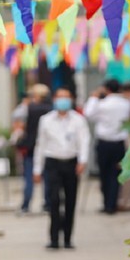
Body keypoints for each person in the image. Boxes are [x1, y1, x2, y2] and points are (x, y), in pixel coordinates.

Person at [33, 87, 91, 250]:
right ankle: (53, 238)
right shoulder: (46, 120)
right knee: (54, 200)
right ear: (54, 99)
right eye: (60, 97)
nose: (63, 100)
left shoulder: (78, 120)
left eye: (66, 97)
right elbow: (40, 145)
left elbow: (84, 141)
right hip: (52, 163)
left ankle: (67, 237)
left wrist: (82, 161)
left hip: (71, 163)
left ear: (71, 99)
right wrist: (37, 169)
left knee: (71, 200)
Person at [83, 79, 130, 215]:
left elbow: (88, 113)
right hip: (119, 143)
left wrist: (93, 97)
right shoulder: (125, 104)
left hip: (104, 143)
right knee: (116, 174)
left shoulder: (102, 104)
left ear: (106, 89)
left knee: (104, 174)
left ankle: (106, 204)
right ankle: (113, 203)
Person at [17, 84, 53, 214]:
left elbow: (20, 123)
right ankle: (48, 204)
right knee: (47, 178)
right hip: (48, 149)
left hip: (31, 147)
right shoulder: (52, 109)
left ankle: (26, 205)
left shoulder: (29, 108)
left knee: (29, 178)